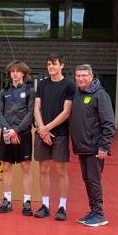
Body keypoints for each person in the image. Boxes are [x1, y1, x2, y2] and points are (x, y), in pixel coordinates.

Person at [70, 64, 115, 227]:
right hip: (83, 147)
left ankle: (99, 213)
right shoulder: (78, 94)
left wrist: (104, 147)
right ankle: (93, 211)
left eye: (84, 76)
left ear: (91, 77)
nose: (81, 78)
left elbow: (109, 123)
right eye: (78, 76)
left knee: (94, 181)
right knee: (87, 180)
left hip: (95, 148)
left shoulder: (100, 95)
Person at [33, 53, 76, 220]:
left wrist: (47, 128)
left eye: (54, 64)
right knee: (43, 170)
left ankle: (62, 207)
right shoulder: (42, 85)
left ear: (62, 66)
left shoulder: (69, 86)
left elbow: (66, 112)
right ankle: (44, 205)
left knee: (61, 171)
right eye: (49, 64)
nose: (51, 67)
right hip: (42, 133)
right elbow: (37, 108)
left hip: (60, 134)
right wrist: (42, 129)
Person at [0, 60, 35, 216]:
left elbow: (30, 113)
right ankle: (7, 200)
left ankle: (26, 202)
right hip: (6, 134)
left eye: (18, 71)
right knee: (6, 167)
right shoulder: (3, 92)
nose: (15, 73)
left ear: (23, 73)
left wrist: (16, 131)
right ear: (9, 73)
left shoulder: (30, 91)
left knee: (26, 167)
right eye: (12, 71)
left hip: (23, 134)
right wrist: (8, 130)